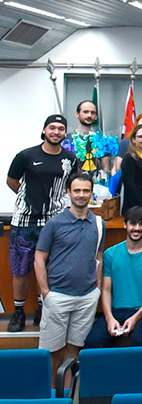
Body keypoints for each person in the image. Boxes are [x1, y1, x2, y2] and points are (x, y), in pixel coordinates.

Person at [6, 114, 79, 332]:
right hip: (25, 221)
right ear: (44, 130)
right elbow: (11, 181)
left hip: (55, 222)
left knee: (49, 268)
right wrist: (26, 198)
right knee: (21, 268)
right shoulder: (26, 155)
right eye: (52, 128)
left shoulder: (70, 159)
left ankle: (42, 308)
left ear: (65, 133)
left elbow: (73, 185)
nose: (56, 132)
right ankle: (18, 312)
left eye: (60, 129)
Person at [34, 173, 104, 385]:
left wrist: (97, 289)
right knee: (52, 351)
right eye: (77, 191)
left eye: (86, 191)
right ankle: (50, 398)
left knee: (74, 349)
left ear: (92, 194)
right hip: (58, 296)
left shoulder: (98, 223)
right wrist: (46, 292)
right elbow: (39, 258)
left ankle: (68, 397)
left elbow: (98, 257)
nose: (81, 195)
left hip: (86, 297)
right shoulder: (54, 224)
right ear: (68, 192)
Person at [85, 206, 142, 349]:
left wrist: (136, 317)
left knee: (139, 342)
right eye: (133, 224)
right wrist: (109, 318)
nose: (137, 228)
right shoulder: (110, 254)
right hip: (116, 310)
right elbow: (106, 289)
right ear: (125, 225)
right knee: (92, 342)